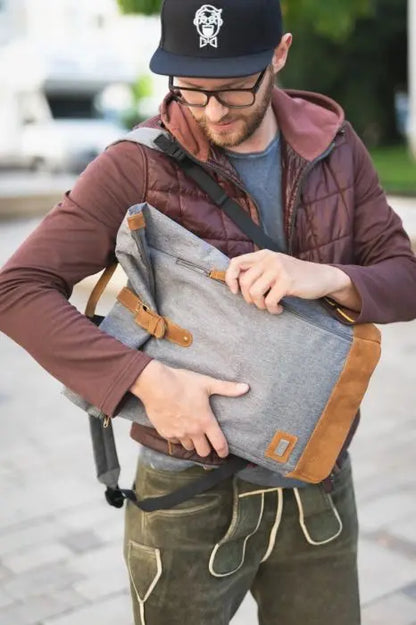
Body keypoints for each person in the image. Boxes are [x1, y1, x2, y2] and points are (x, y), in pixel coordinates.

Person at [0, 1, 416, 623]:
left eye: (232, 89)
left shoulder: (335, 143)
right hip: (186, 490)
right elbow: (18, 289)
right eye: (190, 89)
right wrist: (146, 382)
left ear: (279, 54)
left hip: (318, 477)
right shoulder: (135, 163)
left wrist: (327, 276)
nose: (211, 111)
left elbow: (406, 277)